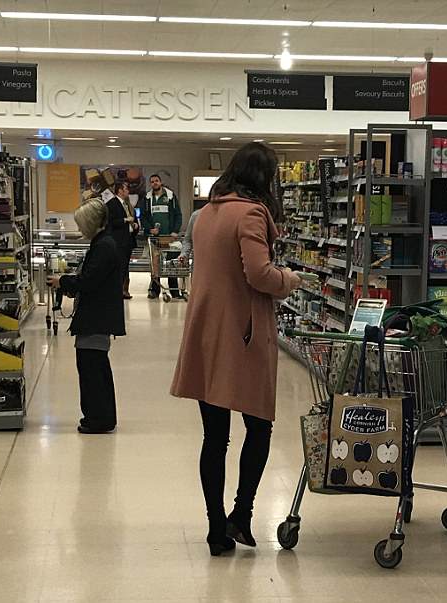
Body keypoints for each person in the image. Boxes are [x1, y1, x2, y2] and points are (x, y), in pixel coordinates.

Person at [170, 143, 304, 557]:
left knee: (214, 437)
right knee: (259, 426)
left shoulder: (207, 213)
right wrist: (290, 279)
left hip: (206, 332)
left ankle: (216, 528)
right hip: (242, 336)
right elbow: (259, 274)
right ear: (264, 178)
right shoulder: (250, 214)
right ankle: (241, 514)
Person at [47, 199, 124, 434]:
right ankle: (100, 416)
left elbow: (89, 281)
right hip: (97, 316)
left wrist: (63, 281)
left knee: (92, 370)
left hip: (96, 317)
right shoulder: (104, 243)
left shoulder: (103, 247)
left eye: (81, 224)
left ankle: (98, 418)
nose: (80, 229)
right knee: (96, 368)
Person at [143, 174, 183, 299]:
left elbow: (178, 215)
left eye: (156, 181)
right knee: (155, 265)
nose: (154, 183)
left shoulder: (170, 196)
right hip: (155, 239)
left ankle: (174, 291)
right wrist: (150, 229)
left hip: (169, 237)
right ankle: (155, 291)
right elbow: (144, 216)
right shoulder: (147, 198)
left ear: (161, 182)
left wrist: (175, 231)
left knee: (171, 264)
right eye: (152, 181)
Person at [105, 181, 138, 299]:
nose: (128, 191)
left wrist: (135, 226)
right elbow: (109, 222)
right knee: (119, 266)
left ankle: (124, 290)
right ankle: (116, 291)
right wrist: (124, 220)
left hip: (128, 240)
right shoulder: (111, 204)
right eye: (126, 189)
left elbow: (133, 218)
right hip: (118, 241)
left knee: (125, 266)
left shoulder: (127, 204)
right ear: (120, 190)